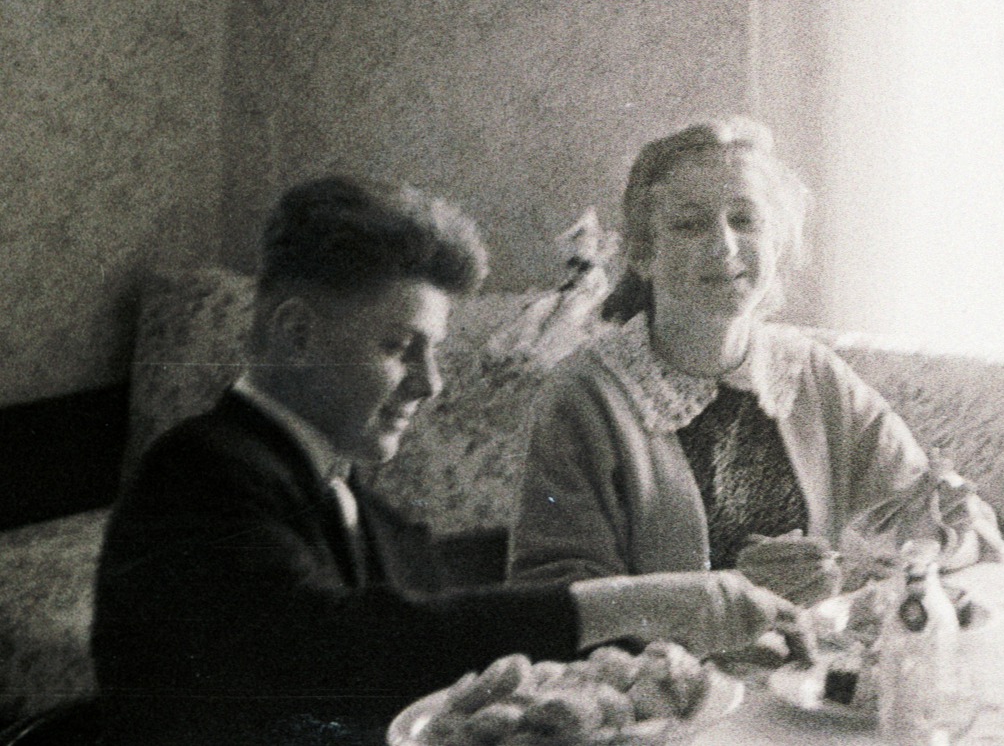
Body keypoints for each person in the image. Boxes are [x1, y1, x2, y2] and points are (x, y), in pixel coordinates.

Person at [92, 176, 803, 746]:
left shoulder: (332, 489)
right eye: (401, 347)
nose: (430, 382)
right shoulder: (196, 473)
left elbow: (432, 587)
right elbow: (335, 641)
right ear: (296, 333)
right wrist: (630, 599)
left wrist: (638, 564)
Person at [510, 118, 1000, 603]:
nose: (723, 245)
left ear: (777, 240)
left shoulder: (809, 373)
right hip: (660, 677)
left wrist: (888, 556)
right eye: (689, 224)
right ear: (643, 253)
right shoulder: (582, 398)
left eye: (744, 219)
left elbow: (945, 517)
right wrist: (723, 600)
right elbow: (555, 603)